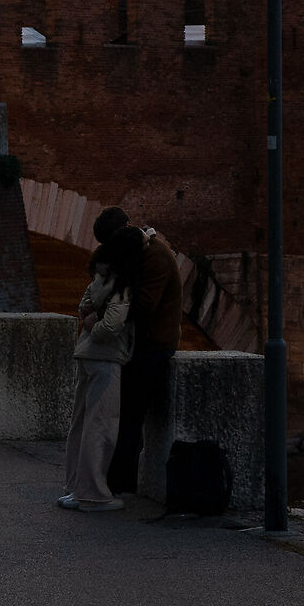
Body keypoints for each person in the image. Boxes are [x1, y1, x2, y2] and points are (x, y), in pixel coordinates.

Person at [92, 206, 183, 496]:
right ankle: (117, 480)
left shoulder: (155, 256)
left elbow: (143, 306)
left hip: (154, 348)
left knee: (130, 416)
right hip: (141, 346)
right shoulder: (141, 253)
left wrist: (108, 313)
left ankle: (120, 484)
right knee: (125, 415)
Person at [59, 248, 133, 512]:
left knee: (79, 423)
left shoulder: (97, 279)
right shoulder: (122, 285)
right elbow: (113, 326)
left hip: (85, 353)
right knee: (100, 426)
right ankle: (93, 494)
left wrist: (90, 321)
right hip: (106, 358)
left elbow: (82, 307)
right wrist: (98, 325)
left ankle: (74, 488)